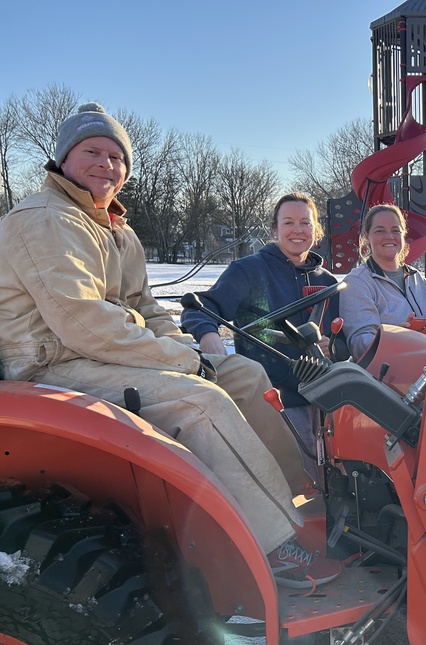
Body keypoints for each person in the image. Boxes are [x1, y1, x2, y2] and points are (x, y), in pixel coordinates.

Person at [0, 103, 337, 589]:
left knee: (242, 373)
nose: (106, 165)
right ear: (63, 160)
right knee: (201, 401)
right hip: (55, 363)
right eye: (92, 151)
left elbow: (150, 309)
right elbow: (81, 321)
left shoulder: (116, 230)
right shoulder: (46, 218)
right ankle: (272, 544)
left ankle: (296, 496)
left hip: (102, 353)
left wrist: (191, 351)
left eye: (117, 157)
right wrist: (185, 363)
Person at [180, 192, 340, 483]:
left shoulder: (327, 282)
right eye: (288, 222)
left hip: (326, 403)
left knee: (336, 482)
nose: (297, 230)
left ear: (316, 231)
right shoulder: (249, 271)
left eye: (305, 223)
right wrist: (208, 335)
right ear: (275, 229)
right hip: (277, 403)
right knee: (293, 482)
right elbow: (199, 310)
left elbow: (343, 339)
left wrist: (333, 346)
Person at [339, 203, 426, 360]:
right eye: (380, 231)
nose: (389, 236)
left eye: (395, 230)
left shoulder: (418, 279)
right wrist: (393, 338)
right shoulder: (357, 283)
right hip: (389, 379)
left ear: (403, 235)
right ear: (366, 236)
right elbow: (359, 344)